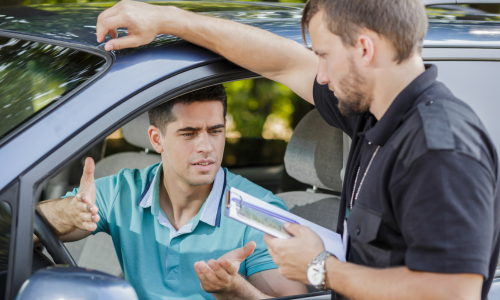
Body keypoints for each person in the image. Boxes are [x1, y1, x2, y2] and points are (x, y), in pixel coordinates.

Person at [94, 0, 500, 299]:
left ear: (364, 48)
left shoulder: (439, 148)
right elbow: (281, 64)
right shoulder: (371, 117)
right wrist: (166, 18)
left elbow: (452, 293)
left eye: (323, 55)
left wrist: (321, 267)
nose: (319, 73)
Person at [36, 85, 307, 300]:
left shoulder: (261, 210)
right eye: (189, 134)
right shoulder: (124, 190)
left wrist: (233, 291)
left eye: (215, 131)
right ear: (157, 139)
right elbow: (26, 227)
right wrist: (67, 212)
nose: (206, 146)